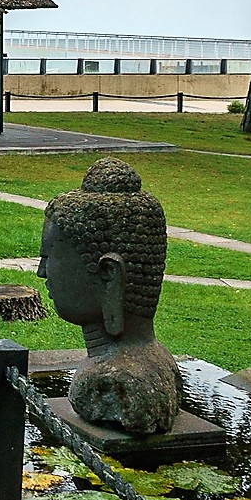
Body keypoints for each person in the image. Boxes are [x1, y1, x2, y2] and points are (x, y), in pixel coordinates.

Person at [37, 157, 180, 435]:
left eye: (49, 257)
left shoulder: (111, 383)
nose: (42, 273)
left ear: (108, 276)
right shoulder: (162, 364)